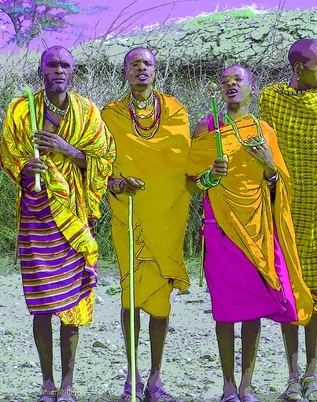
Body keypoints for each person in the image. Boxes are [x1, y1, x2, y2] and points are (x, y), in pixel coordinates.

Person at [187, 65, 313, 402]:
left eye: (237, 81)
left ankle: (246, 385)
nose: (231, 86)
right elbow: (187, 181)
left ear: (251, 89)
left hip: (258, 229)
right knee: (226, 310)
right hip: (220, 229)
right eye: (225, 82)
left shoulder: (262, 130)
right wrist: (209, 178)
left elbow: (280, 186)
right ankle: (228, 386)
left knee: (252, 309)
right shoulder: (207, 127)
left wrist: (271, 166)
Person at [0, 46, 115, 402]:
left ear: (74, 73)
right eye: (52, 65)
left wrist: (67, 149)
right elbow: (7, 152)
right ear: (41, 71)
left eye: (66, 65)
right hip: (37, 215)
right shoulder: (22, 110)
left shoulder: (87, 111)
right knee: (42, 301)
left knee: (72, 301)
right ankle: (46, 383)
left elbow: (104, 159)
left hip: (73, 215)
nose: (59, 71)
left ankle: (68, 384)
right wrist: (23, 169)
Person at [259, 39, 317, 401]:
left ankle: (312, 373)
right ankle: (292, 375)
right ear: (299, 68)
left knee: (316, 288)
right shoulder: (272, 99)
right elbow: (268, 145)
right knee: (288, 288)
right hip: (286, 205)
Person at [101, 47, 191, 402]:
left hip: (166, 215)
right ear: (125, 72)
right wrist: (118, 184)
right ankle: (132, 375)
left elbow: (181, 161)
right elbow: (102, 163)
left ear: (156, 71)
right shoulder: (110, 114)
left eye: (147, 64)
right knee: (131, 294)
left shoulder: (175, 111)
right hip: (129, 213)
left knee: (160, 297)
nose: (141, 69)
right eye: (134, 64)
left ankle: (155, 378)